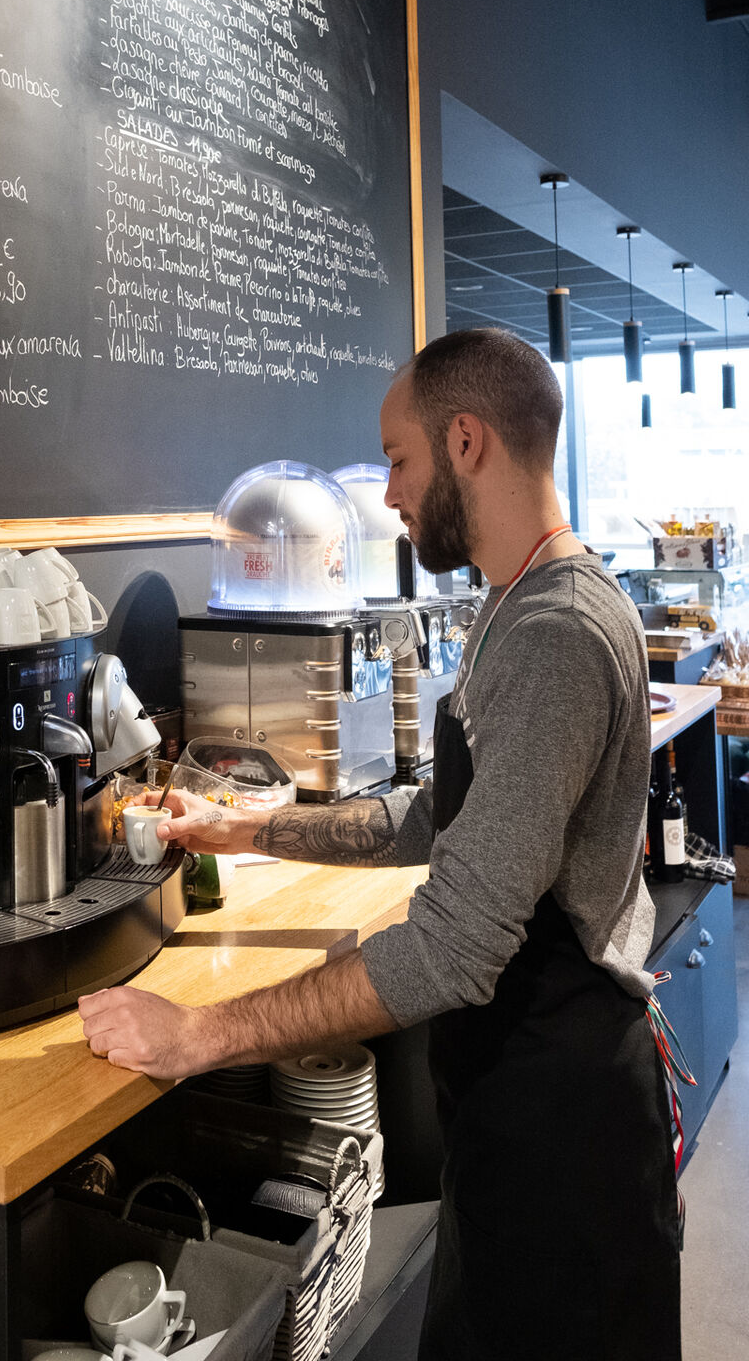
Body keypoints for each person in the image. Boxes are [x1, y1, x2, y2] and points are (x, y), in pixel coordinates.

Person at [80, 328, 681, 1359]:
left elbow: (453, 945)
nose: (389, 497)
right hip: (512, 1114)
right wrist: (248, 823)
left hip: (563, 1129)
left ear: (463, 442)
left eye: (397, 459)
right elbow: (439, 815)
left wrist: (199, 1037)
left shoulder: (553, 634)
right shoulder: (514, 603)